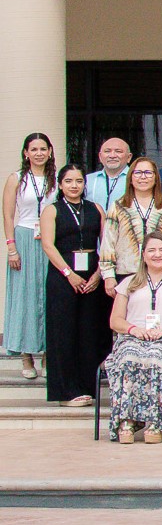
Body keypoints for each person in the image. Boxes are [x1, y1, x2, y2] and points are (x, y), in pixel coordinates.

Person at [104, 231, 162, 444]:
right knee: (128, 357)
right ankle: (127, 421)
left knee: (156, 356)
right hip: (133, 337)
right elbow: (115, 320)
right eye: (152, 250)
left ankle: (158, 423)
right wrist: (133, 330)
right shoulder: (128, 283)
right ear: (143, 255)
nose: (158, 254)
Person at [40, 165, 106, 406]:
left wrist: (99, 274)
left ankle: (88, 387)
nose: (74, 185)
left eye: (78, 181)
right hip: (63, 273)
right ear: (60, 184)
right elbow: (48, 245)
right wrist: (69, 274)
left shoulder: (95, 209)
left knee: (88, 330)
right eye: (69, 181)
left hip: (91, 274)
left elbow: (106, 244)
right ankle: (66, 391)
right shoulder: (52, 210)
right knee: (63, 331)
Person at [3, 132, 55, 376]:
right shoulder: (16, 178)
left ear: (50, 151)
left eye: (43, 148)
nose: (38, 153)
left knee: (48, 294)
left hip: (50, 239)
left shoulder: (56, 178)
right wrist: (11, 247)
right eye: (33, 149)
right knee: (25, 296)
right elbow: (8, 215)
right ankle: (26, 358)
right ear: (26, 153)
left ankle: (47, 355)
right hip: (24, 238)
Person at [98, 156, 162, 304]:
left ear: (155, 177)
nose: (143, 177)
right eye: (138, 173)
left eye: (148, 173)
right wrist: (108, 275)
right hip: (127, 272)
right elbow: (108, 242)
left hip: (161, 273)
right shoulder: (118, 206)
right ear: (130, 177)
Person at [86, 137, 131, 212]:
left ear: (129, 157)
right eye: (107, 151)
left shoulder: (137, 179)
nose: (112, 156)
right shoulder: (87, 180)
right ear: (100, 157)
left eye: (118, 151)